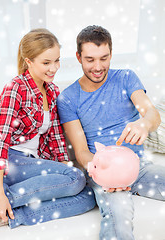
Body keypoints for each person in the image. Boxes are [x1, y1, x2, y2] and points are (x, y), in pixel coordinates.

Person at [57, 25, 165, 240]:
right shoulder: (68, 99)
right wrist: (108, 174)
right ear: (78, 57)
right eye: (90, 60)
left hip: (139, 167)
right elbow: (81, 153)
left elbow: (153, 115)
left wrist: (143, 124)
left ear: (111, 54)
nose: (98, 66)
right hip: (103, 172)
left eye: (104, 58)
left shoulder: (126, 78)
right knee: (119, 214)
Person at [0, 28, 95, 229]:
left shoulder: (52, 91)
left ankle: (10, 215)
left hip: (31, 163)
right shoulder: (15, 89)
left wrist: (63, 169)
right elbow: (0, 140)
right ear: (28, 61)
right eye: (46, 63)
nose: (54, 68)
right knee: (75, 177)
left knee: (88, 196)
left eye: (57, 60)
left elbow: (56, 139)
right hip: (11, 160)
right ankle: (5, 199)